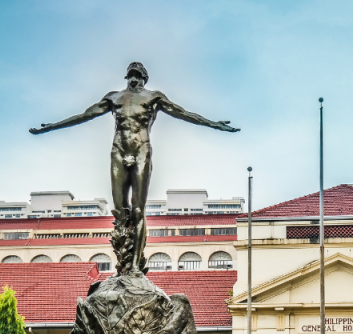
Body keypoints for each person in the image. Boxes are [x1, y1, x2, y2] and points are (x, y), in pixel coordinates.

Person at [28, 62, 239, 272]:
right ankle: (124, 265)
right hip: (118, 151)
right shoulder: (114, 98)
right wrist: (53, 126)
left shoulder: (153, 97)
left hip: (141, 151)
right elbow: (85, 115)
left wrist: (213, 123)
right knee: (120, 210)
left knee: (138, 209)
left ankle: (136, 266)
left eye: (138, 75)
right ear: (126, 77)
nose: (134, 79)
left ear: (144, 78)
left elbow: (183, 113)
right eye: (131, 75)